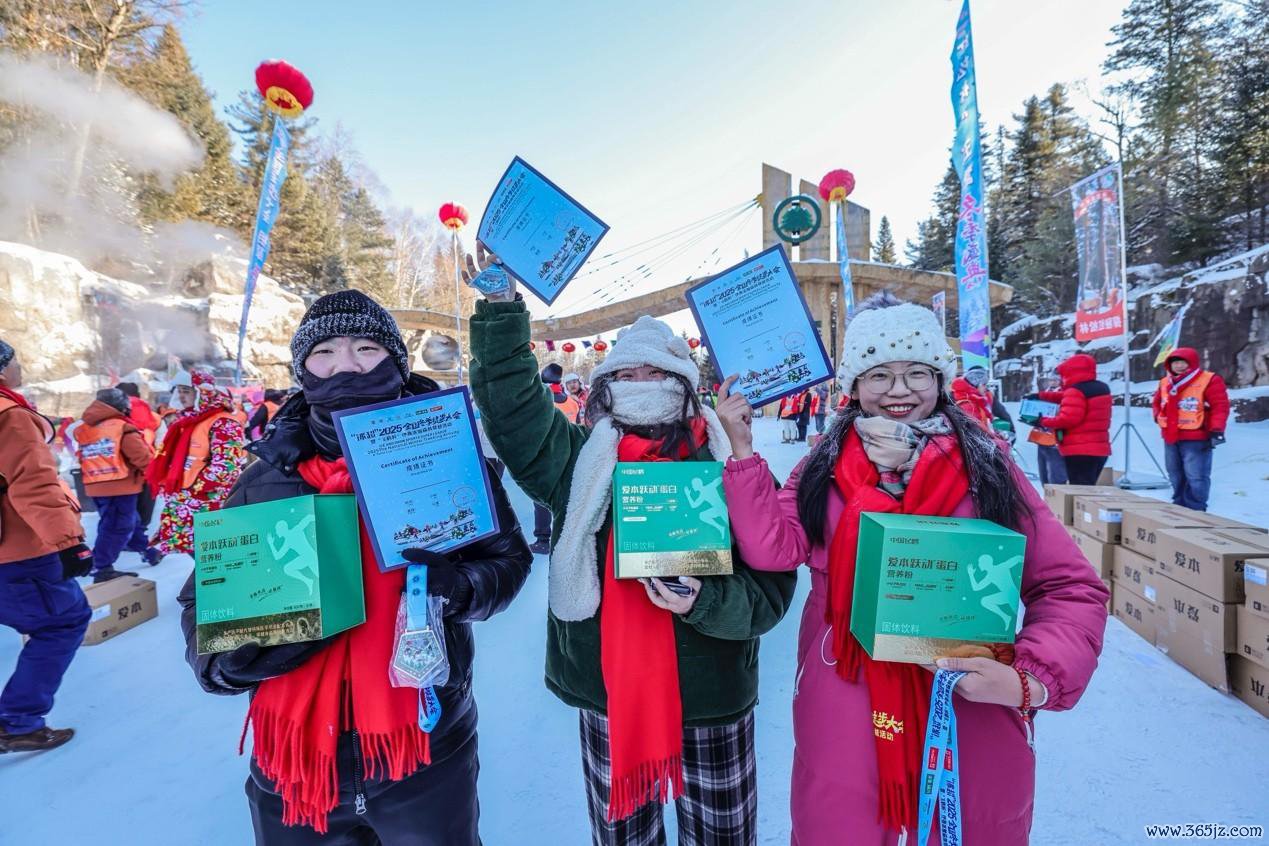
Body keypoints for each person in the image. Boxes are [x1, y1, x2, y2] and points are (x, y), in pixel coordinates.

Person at [713, 294, 1109, 845]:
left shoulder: (989, 468)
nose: (899, 392)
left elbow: (1068, 587)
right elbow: (773, 549)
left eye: (917, 373)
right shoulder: (823, 466)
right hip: (846, 691)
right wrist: (742, 451)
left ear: (941, 380)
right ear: (853, 386)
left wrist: (1032, 678)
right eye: (879, 374)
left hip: (966, 698)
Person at [179, 289, 532, 843]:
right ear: (303, 371)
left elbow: (508, 563)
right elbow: (203, 595)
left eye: (366, 347)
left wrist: (459, 587)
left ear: (396, 360)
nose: (345, 365)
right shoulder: (267, 476)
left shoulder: (449, 458)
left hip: (423, 740)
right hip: (293, 758)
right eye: (324, 352)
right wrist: (221, 662)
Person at [467, 263, 797, 846]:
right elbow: (514, 413)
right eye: (626, 372)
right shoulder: (575, 461)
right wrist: (500, 312)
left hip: (712, 699)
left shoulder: (728, 467)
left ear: (683, 384)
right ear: (605, 387)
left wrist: (704, 598)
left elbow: (771, 589)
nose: (641, 380)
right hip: (610, 696)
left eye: (656, 371)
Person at [0, 339, 93, 753]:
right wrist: (69, 543)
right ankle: (18, 721)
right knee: (63, 620)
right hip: (17, 552)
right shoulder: (10, 416)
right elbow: (33, 485)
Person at [146, 370, 247, 558]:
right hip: (188, 502)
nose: (181, 396)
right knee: (201, 558)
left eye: (186, 391)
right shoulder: (187, 420)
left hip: (207, 504)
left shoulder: (223, 422)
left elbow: (226, 467)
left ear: (202, 392)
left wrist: (195, 491)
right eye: (179, 391)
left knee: (214, 559)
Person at [73, 388, 159, 582]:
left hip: (95, 484)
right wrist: (157, 475)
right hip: (120, 486)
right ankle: (101, 566)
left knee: (128, 521)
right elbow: (142, 458)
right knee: (118, 526)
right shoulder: (121, 427)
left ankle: (147, 551)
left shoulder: (86, 428)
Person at [1152, 347, 1229, 511]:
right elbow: (1157, 402)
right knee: (1174, 473)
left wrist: (1217, 429)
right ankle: (1179, 505)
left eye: (1183, 362)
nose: (1179, 366)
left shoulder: (1209, 379)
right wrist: (1157, 416)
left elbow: (1220, 406)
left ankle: (1196, 508)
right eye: (1175, 362)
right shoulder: (1165, 382)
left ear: (1192, 363)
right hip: (1171, 436)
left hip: (1197, 437)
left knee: (1196, 475)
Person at [1024, 352, 1112, 485]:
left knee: (1079, 493)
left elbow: (1068, 419)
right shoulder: (1100, 388)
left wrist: (1042, 421)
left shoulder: (1076, 391)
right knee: (1088, 491)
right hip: (1099, 449)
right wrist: (1041, 396)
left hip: (1079, 451)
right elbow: (1067, 397)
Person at [1028, 375, 1067, 486]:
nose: (1053, 382)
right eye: (1051, 379)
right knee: (1043, 475)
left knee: (1056, 476)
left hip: (1055, 440)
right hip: (1042, 438)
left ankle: (1056, 499)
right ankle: (1048, 497)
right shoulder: (1046, 392)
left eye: (1056, 379)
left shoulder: (1064, 393)